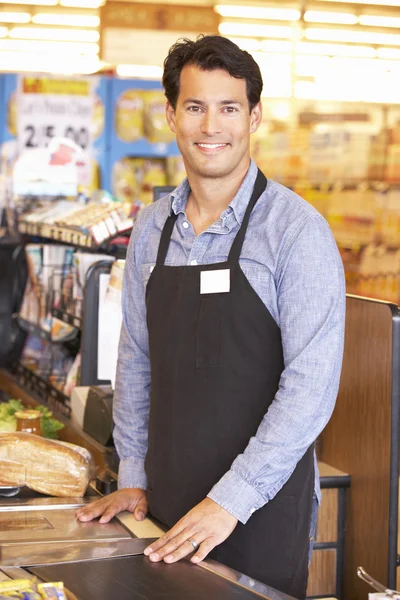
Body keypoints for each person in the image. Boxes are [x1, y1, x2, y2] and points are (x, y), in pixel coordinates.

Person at [76, 35, 345, 599]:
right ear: (171, 115)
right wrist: (132, 477)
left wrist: (230, 501)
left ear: (254, 117)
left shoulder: (296, 232)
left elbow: (311, 388)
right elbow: (137, 358)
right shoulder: (151, 228)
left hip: (258, 513)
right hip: (164, 507)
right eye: (195, 107)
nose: (210, 126)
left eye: (229, 108)